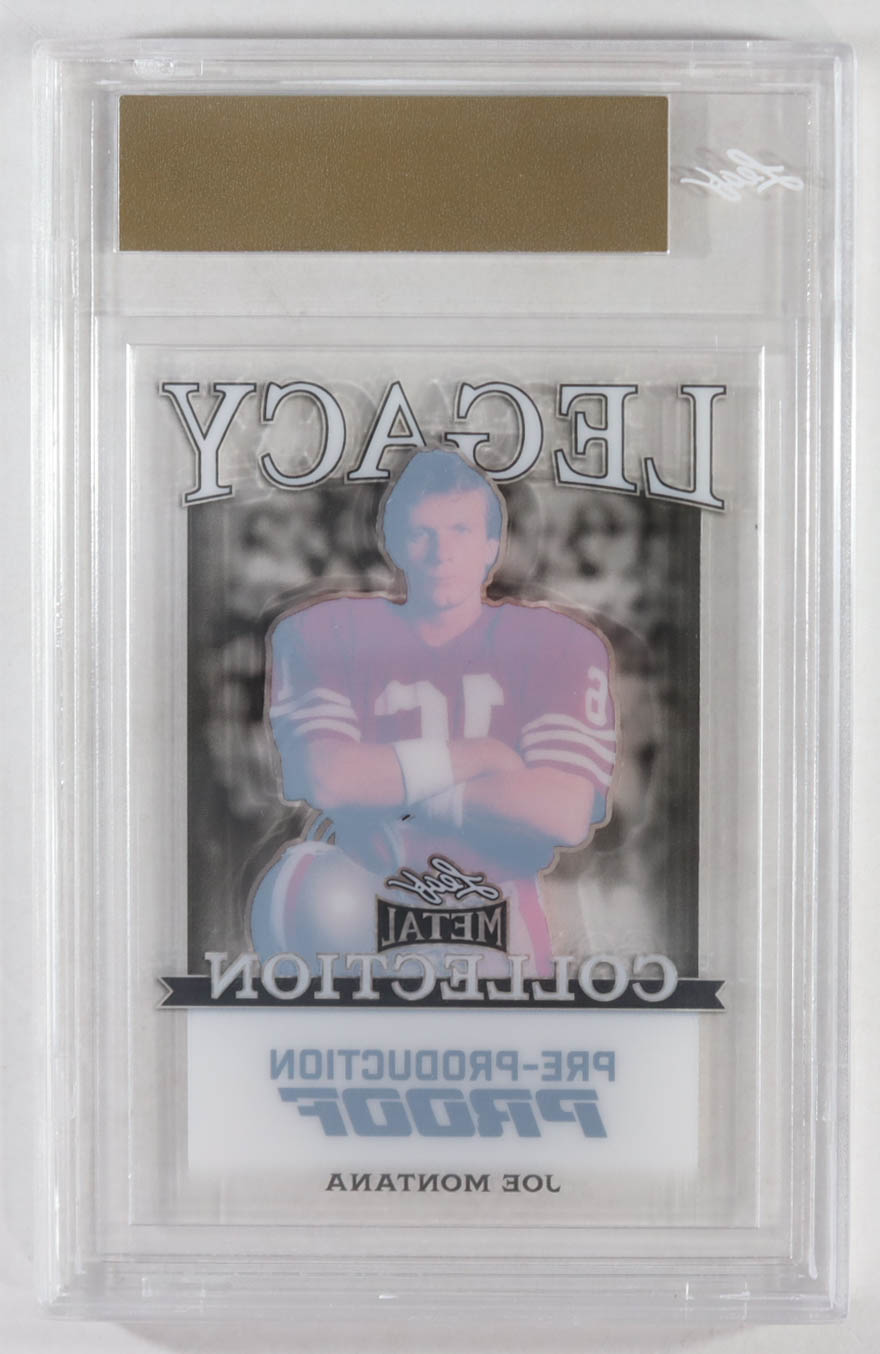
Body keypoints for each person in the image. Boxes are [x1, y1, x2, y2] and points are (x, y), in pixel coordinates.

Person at [248, 449, 616, 977]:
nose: (442, 553)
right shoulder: (324, 631)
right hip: (354, 886)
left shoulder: (557, 643)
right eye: (422, 533)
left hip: (493, 904)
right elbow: (329, 778)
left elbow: (562, 811)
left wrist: (393, 790)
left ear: (493, 545)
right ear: (393, 542)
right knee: (315, 897)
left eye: (460, 531)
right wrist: (484, 757)